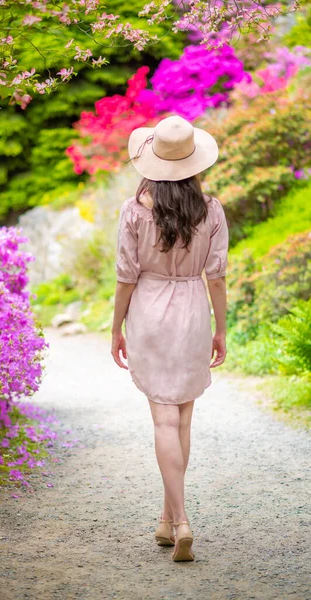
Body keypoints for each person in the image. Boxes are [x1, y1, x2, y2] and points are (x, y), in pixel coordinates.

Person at [111, 115, 229, 562]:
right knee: (181, 421)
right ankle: (167, 520)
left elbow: (126, 276)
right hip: (193, 308)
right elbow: (216, 277)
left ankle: (179, 521)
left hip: (150, 309)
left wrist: (115, 328)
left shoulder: (134, 210)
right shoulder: (211, 210)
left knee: (162, 420)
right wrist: (220, 329)